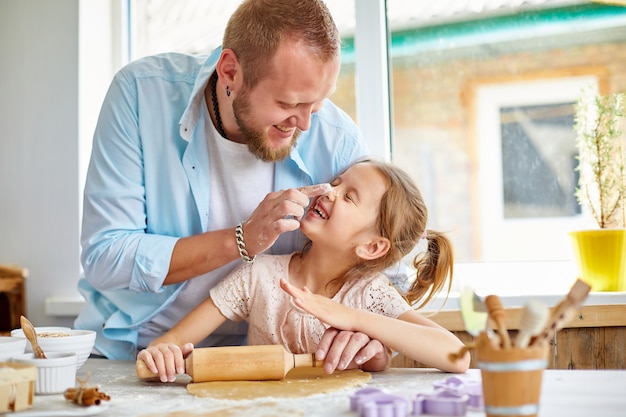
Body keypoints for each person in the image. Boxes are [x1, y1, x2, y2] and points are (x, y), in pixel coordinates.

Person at [75, 0, 380, 369]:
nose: (305, 125)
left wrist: (364, 331)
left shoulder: (336, 138)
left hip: (266, 362)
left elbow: (382, 265)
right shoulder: (140, 95)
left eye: (316, 105)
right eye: (289, 103)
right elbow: (106, 256)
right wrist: (241, 239)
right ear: (230, 71)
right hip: (135, 352)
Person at [137, 159, 470, 383]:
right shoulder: (259, 275)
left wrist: (350, 317)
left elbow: (456, 356)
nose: (329, 191)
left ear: (371, 247)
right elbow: (172, 342)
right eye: (336, 183)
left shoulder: (369, 294)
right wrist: (162, 355)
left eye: (349, 197)